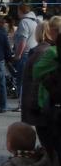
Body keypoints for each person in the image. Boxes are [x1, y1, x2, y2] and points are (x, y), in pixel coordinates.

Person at [21, 20, 56, 158]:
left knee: (47, 143)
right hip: (41, 104)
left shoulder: (42, 52)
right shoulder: (44, 51)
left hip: (40, 105)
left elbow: (36, 82)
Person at [33, 16, 61, 164]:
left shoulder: (51, 52)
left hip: (52, 105)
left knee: (52, 147)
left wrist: (48, 79)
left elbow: (36, 72)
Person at [12, 4, 38, 111]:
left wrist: (18, 55)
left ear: (21, 10)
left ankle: (21, 104)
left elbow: (23, 41)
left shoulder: (24, 22)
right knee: (30, 80)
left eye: (18, 10)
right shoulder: (35, 22)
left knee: (22, 80)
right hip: (34, 52)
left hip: (25, 54)